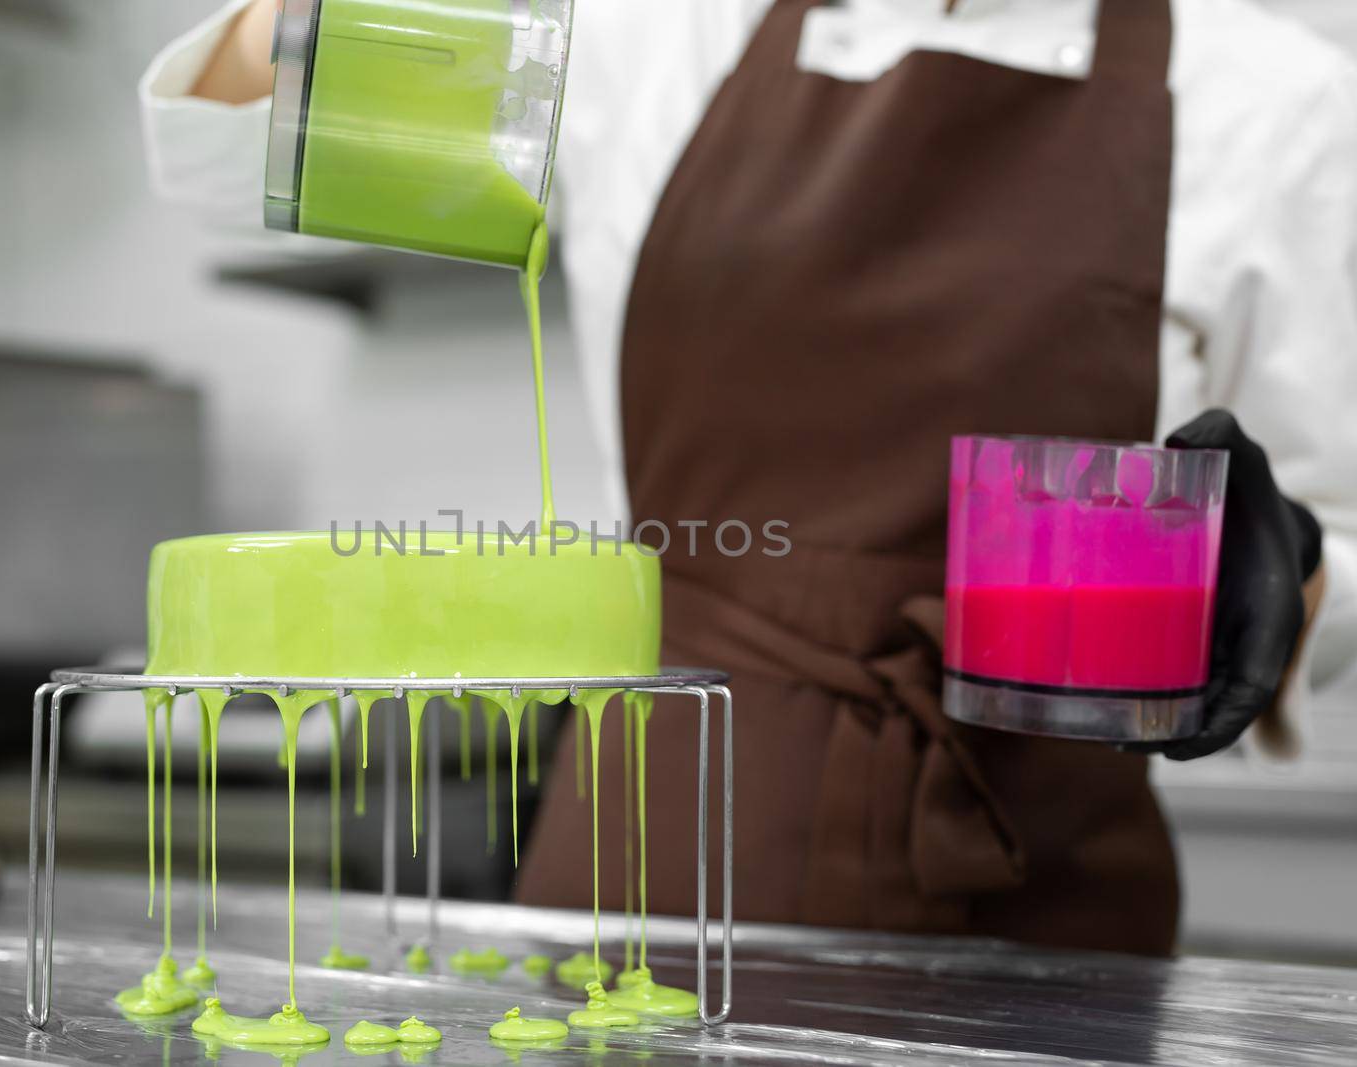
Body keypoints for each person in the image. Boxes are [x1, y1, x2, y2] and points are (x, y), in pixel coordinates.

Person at [141, 0, 1357, 956]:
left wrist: (1287, 570)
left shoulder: (1280, 105)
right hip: (648, 879)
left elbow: (1338, 540)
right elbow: (234, 127)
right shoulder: (645, 32)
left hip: (1034, 888)